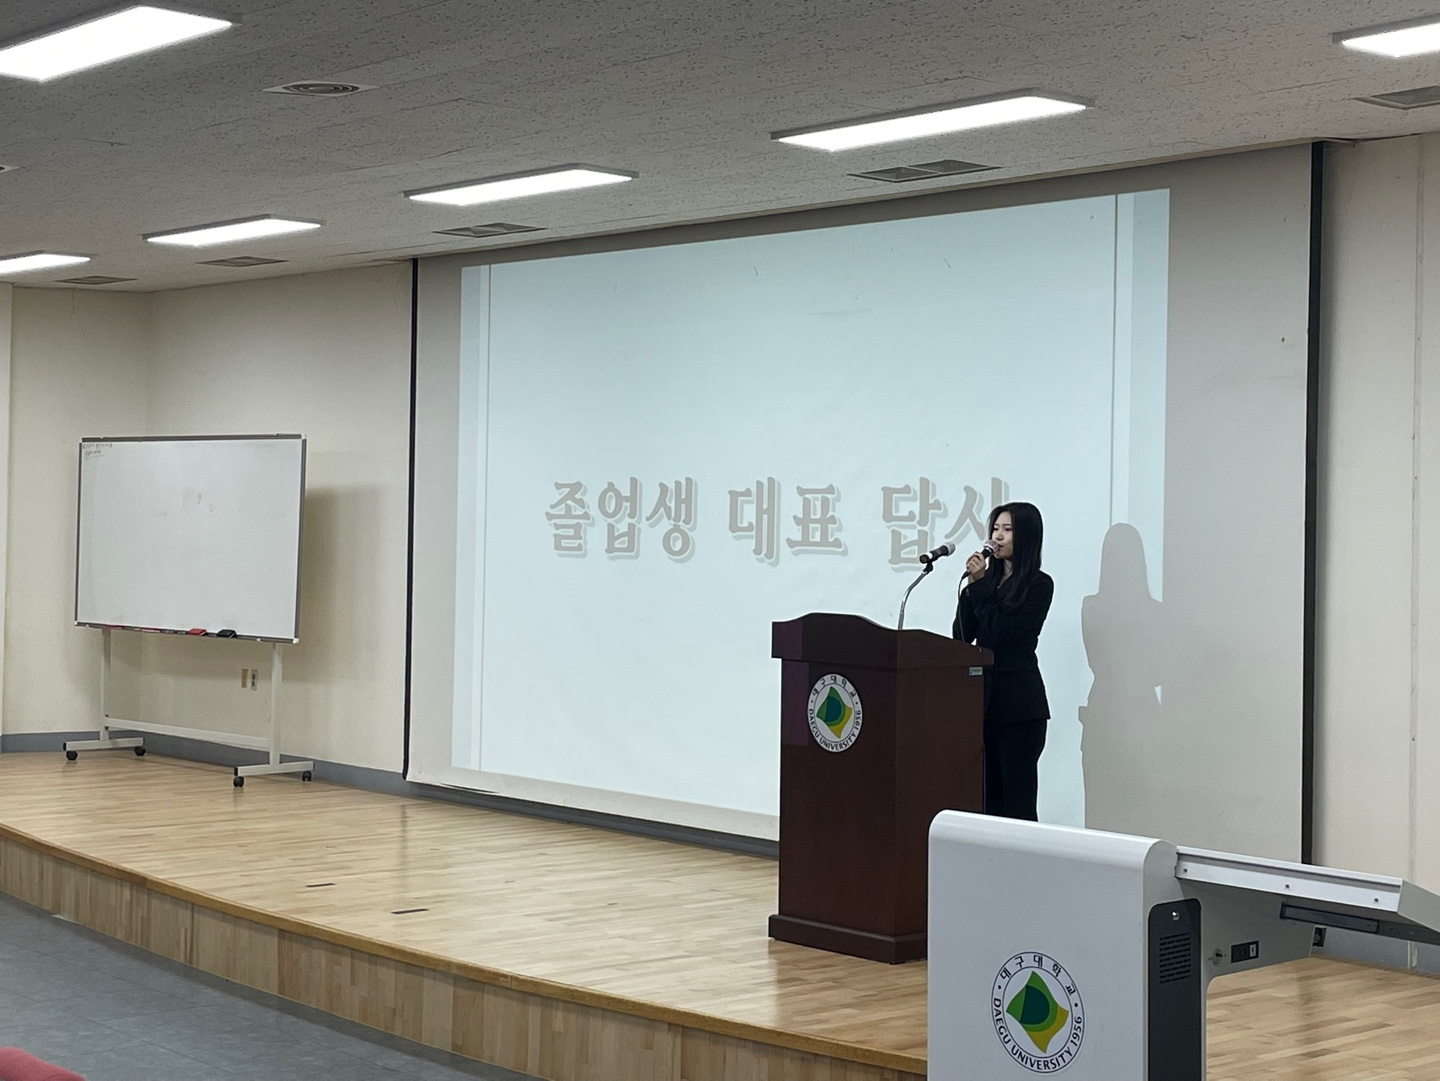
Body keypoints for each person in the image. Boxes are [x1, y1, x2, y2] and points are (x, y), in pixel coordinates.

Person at [953, 502, 1054, 821]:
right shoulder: (985, 582)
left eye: (1007, 530)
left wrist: (981, 587)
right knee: (987, 802)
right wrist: (972, 588)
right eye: (995, 528)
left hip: (1019, 708)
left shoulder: (1038, 585)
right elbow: (962, 635)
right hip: (983, 704)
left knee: (1017, 804)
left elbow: (1005, 632)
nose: (997, 536)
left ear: (1026, 536)